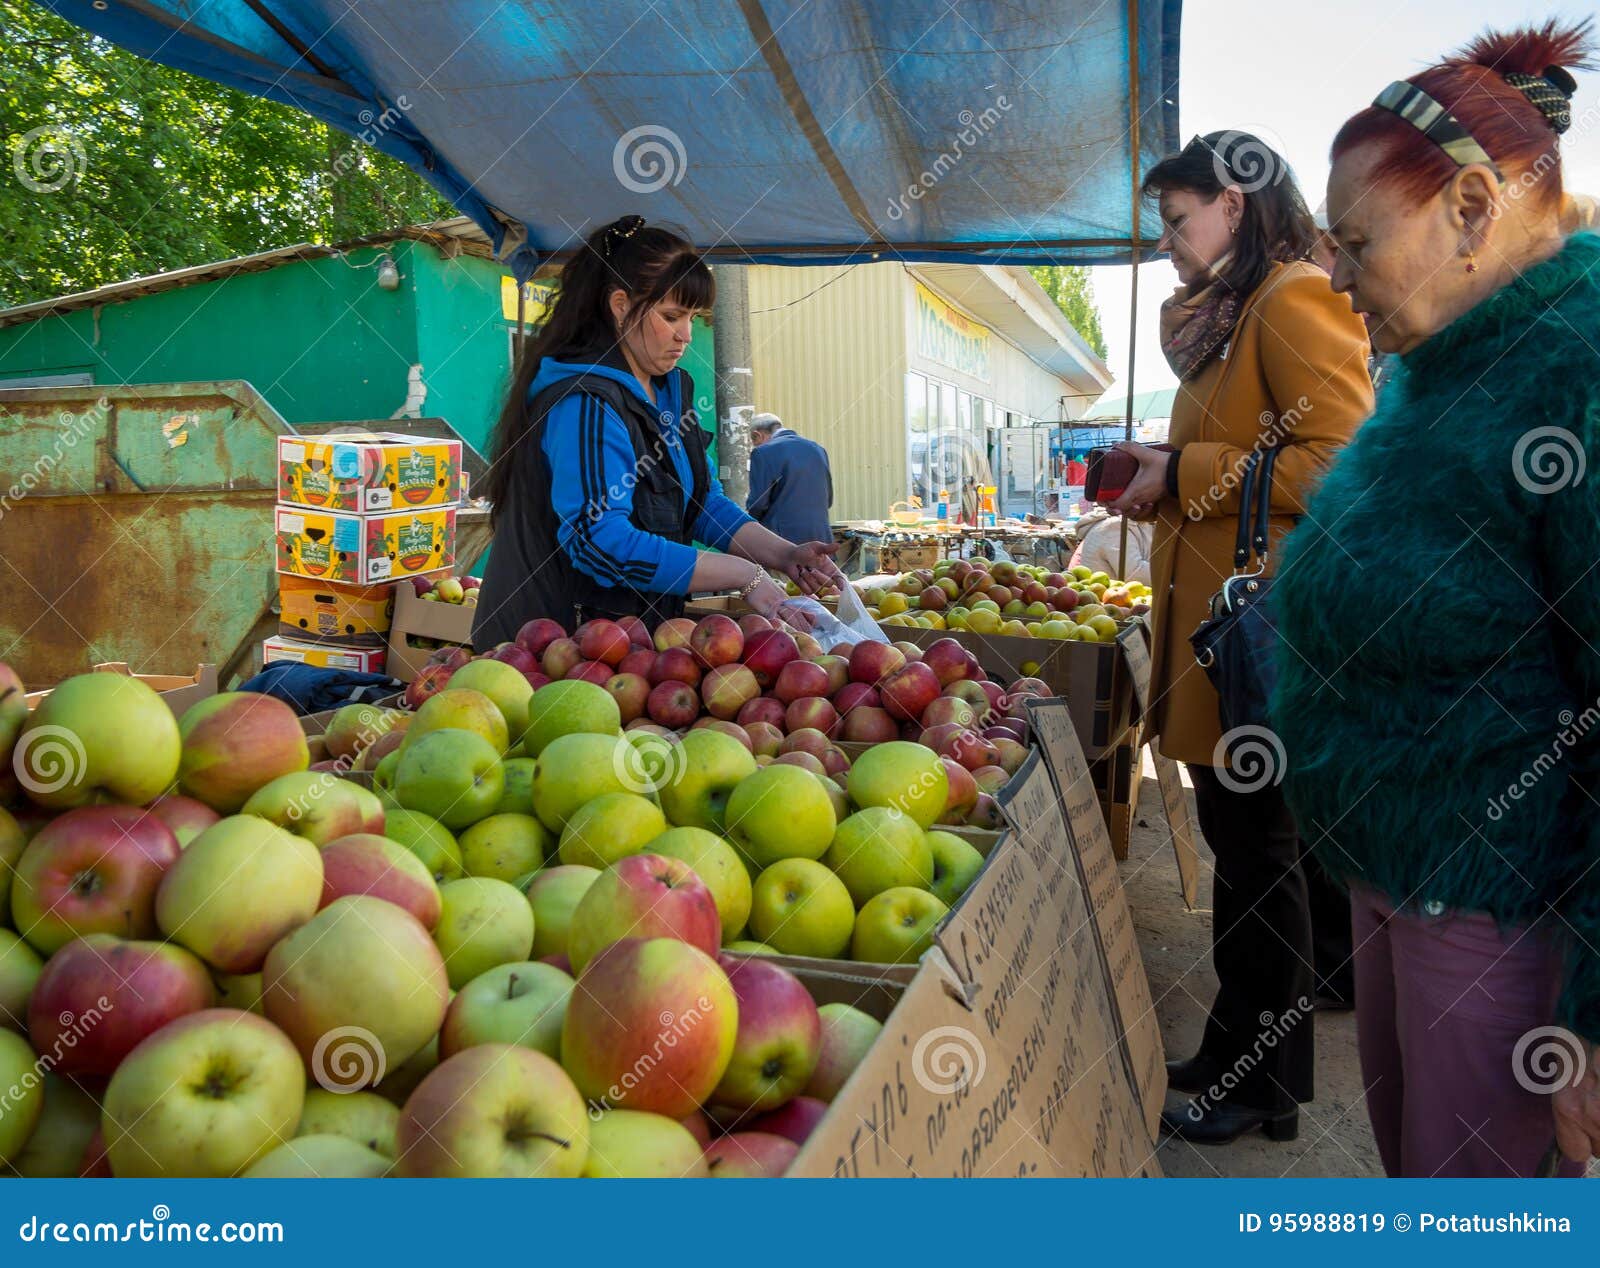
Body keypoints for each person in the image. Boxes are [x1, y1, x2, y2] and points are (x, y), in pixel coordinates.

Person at [1273, 19, 1600, 1177]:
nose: (1332, 273)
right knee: (1419, 1182)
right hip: (1393, 865)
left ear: (1469, 209)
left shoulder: (1575, 370)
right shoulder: (1436, 363)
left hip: (1493, 897)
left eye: (1354, 241)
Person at [1106, 132, 1374, 1144]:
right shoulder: (1230, 312)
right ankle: (1239, 1053)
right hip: (1223, 631)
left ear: (1234, 201)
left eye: (1177, 221)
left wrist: (1183, 471)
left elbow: (1342, 459)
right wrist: (1161, 474)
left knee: (1259, 860)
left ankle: (1259, 1081)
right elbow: (1242, 457)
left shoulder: (1289, 297)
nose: (1167, 243)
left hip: (1261, 639)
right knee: (1252, 852)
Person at [472, 216, 842, 649]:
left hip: (626, 644)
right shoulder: (585, 404)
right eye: (671, 316)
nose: (685, 335)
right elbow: (600, 541)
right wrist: (745, 575)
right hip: (547, 650)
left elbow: (700, 503)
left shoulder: (669, 391)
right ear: (621, 305)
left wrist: (784, 555)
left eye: (692, 317)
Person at [745, 413, 834, 545]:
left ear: (757, 435)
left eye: (754, 442)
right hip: (821, 540)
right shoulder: (818, 449)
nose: (755, 446)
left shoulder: (763, 452)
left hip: (783, 543)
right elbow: (828, 500)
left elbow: (758, 504)